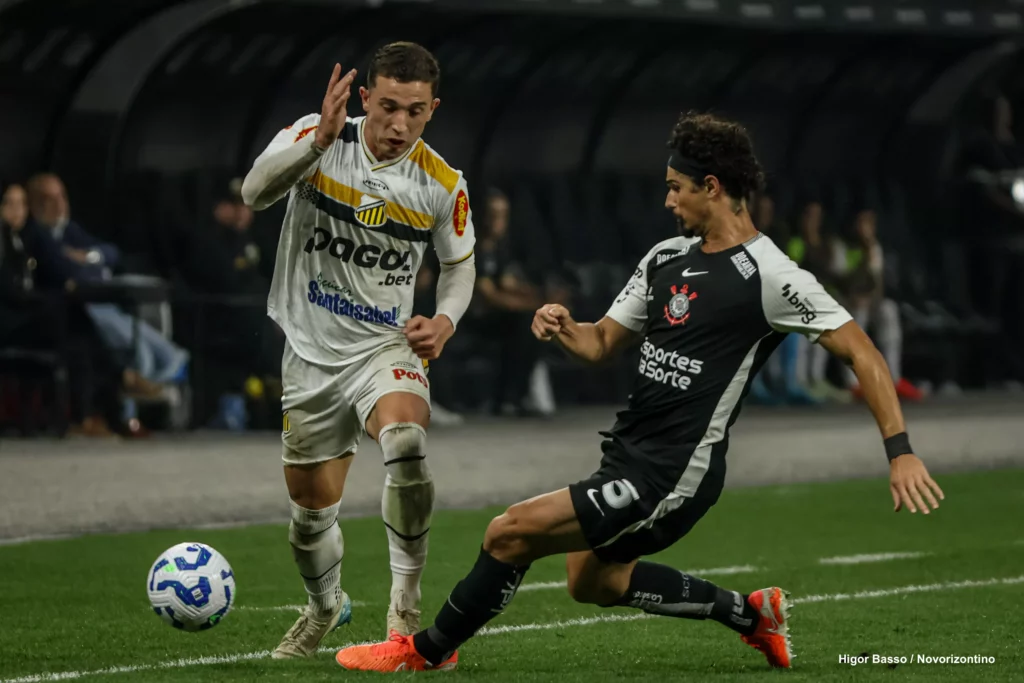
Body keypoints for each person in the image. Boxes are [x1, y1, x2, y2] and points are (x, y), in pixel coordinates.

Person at [335, 112, 945, 673]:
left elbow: (861, 351)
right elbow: (602, 341)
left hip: (675, 473)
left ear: (712, 186)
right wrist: (563, 327)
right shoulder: (665, 259)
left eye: (676, 187)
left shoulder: (773, 275)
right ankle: (750, 614)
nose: (667, 200)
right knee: (591, 583)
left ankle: (425, 653)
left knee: (508, 532)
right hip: (628, 454)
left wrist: (900, 451)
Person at [240, 42, 476, 657]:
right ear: (365, 97)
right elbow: (253, 194)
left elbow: (459, 267)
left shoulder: (442, 184)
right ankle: (324, 608)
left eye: (416, 112)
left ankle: (405, 615)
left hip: (383, 346)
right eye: (389, 107)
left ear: (433, 110)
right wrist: (316, 142)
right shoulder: (315, 135)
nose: (400, 125)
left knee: (406, 441)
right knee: (310, 518)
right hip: (310, 353)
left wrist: (445, 321)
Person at [837, 209, 921, 401]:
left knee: (889, 311)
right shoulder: (844, 246)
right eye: (861, 223)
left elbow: (877, 282)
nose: (865, 229)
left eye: (869, 224)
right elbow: (842, 280)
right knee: (858, 313)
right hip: (845, 301)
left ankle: (894, 378)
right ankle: (853, 383)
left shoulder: (876, 247)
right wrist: (865, 253)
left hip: (869, 300)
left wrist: (869, 249)